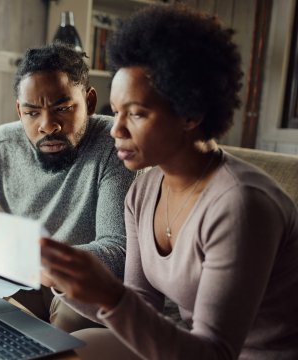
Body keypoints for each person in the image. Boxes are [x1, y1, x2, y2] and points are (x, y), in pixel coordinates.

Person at [40, 4, 298, 359]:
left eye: (137, 113)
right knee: (51, 353)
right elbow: (140, 305)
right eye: (116, 112)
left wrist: (109, 295)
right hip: (183, 345)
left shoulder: (241, 204)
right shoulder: (144, 191)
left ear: (190, 112)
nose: (116, 129)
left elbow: (214, 353)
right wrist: (65, 281)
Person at [0, 44, 135, 332]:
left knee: (74, 319)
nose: (48, 125)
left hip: (81, 288)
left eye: (63, 109)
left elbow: (117, 253)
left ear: (90, 102)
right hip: (19, 278)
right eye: (32, 112)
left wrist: (0, 254)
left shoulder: (115, 145)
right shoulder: (2, 145)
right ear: (19, 111)